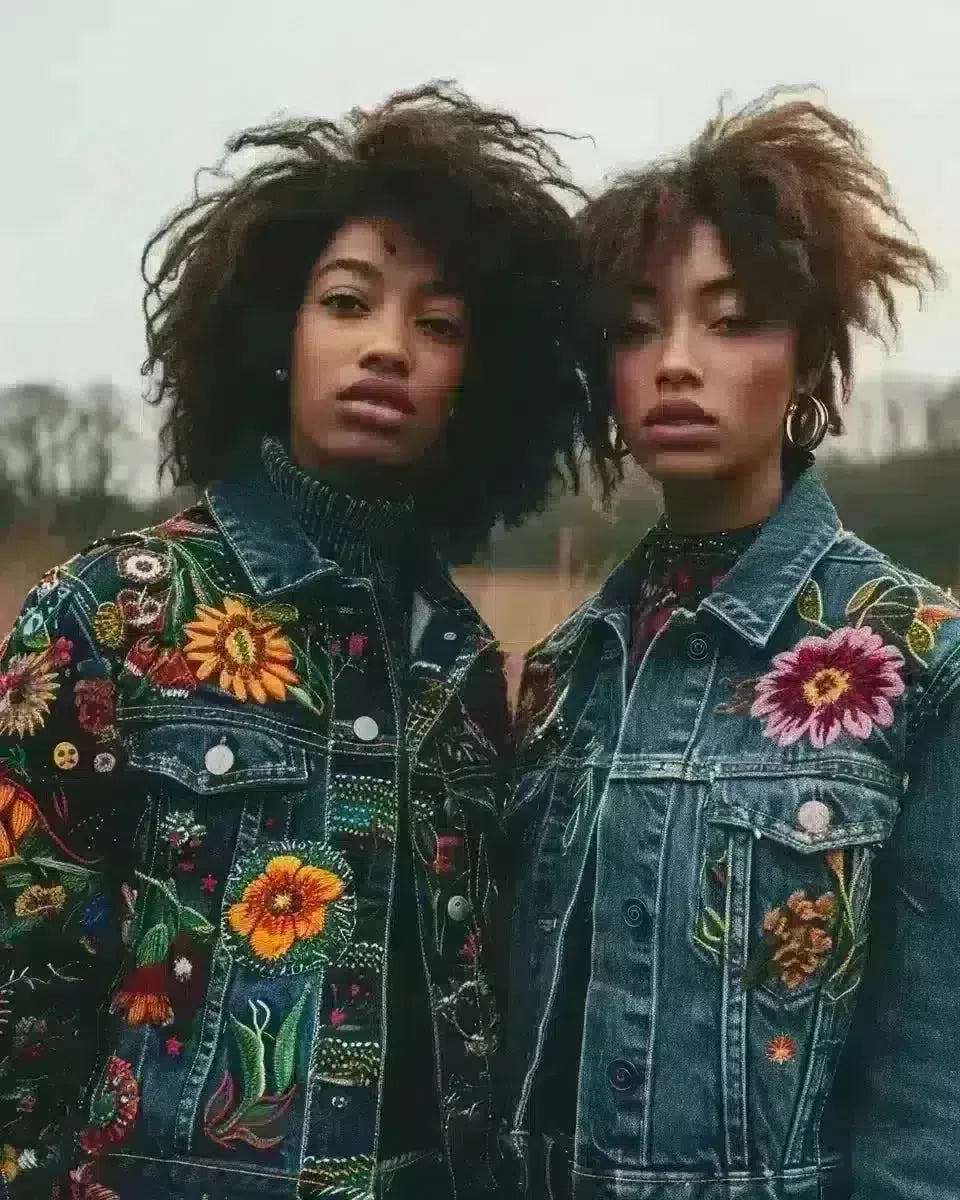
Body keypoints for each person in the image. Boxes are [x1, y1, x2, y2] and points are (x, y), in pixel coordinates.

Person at [0, 83, 587, 1200]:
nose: (387, 348)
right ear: (277, 336)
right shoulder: (114, 611)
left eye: (439, 325)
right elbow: (20, 985)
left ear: (478, 383)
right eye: (347, 302)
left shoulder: (464, 669)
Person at [503, 91, 960, 1199]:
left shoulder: (920, 659)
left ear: (809, 357)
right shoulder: (568, 670)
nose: (675, 361)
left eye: (732, 317)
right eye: (636, 326)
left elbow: (936, 1091)